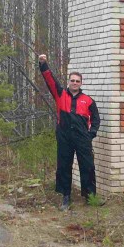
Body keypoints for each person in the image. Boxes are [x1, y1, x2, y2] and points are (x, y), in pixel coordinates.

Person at [38, 54, 100, 211]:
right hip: (64, 137)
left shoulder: (88, 100)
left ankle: (90, 196)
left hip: (82, 139)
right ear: (69, 82)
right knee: (64, 166)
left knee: (88, 166)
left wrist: (90, 134)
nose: (74, 83)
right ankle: (66, 196)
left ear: (81, 83)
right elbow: (50, 81)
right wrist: (43, 64)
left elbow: (96, 120)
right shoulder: (60, 94)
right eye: (72, 80)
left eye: (77, 81)